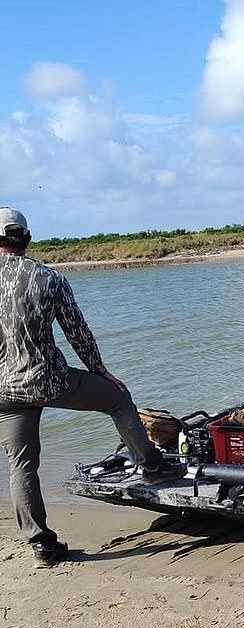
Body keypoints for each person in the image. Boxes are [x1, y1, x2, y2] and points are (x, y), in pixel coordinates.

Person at [0, 208, 185, 567]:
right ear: (27, 238)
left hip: (3, 390)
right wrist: (101, 371)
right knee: (118, 400)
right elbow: (77, 333)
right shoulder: (46, 278)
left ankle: (41, 546)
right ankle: (151, 466)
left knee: (21, 464)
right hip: (47, 379)